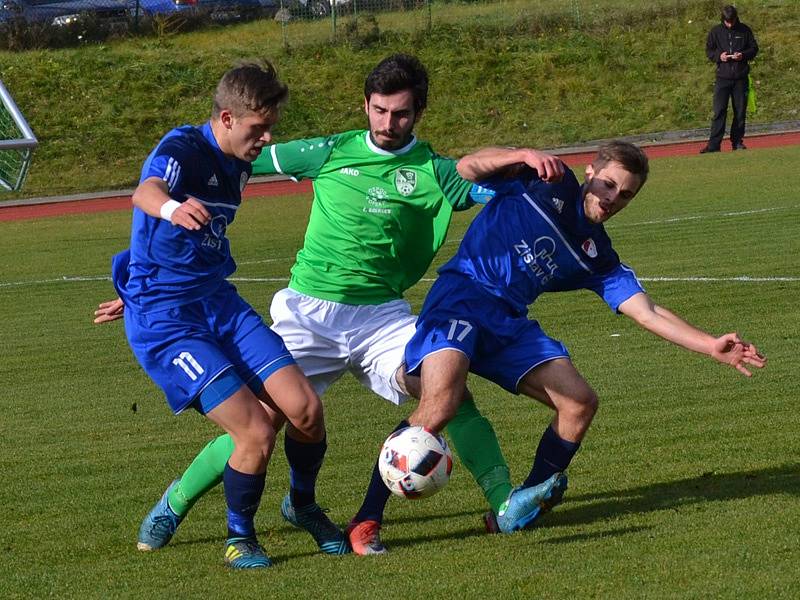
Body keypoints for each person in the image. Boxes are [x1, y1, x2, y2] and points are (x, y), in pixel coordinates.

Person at [95, 53, 566, 556]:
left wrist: (525, 158)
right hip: (308, 313)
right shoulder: (327, 151)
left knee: (445, 390)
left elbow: (479, 172)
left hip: (382, 318)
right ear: (365, 106)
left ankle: (503, 504)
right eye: (379, 110)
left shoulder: (433, 171)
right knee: (262, 422)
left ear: (418, 113)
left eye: (401, 114)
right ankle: (176, 502)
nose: (389, 123)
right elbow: (214, 166)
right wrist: (145, 291)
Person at [394, 140, 766, 532]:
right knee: (438, 410)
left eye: (625, 195)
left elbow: (647, 311)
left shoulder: (598, 256)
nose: (612, 199)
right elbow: (467, 167)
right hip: (462, 298)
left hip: (506, 322)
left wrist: (710, 344)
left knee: (580, 404)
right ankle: (368, 516)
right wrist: (521, 155)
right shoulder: (543, 181)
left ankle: (517, 510)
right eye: (607, 185)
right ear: (590, 172)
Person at [110, 61, 330, 569]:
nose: (266, 138)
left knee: (304, 410)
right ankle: (238, 538)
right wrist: (170, 210)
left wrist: (138, 276)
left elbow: (172, 251)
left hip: (218, 303)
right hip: (167, 323)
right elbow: (145, 193)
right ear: (226, 118)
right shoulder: (181, 148)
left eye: (271, 126)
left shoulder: (240, 165)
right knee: (254, 430)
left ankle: (301, 506)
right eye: (258, 128)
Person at [700, 5, 758, 153]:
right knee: (719, 111)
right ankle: (714, 145)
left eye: (732, 21)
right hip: (722, 78)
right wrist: (719, 56)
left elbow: (754, 49)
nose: (730, 24)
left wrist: (742, 55)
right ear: (723, 19)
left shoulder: (745, 30)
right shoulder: (716, 32)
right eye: (727, 21)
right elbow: (709, 50)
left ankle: (737, 142)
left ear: (736, 18)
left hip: (740, 78)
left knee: (739, 112)